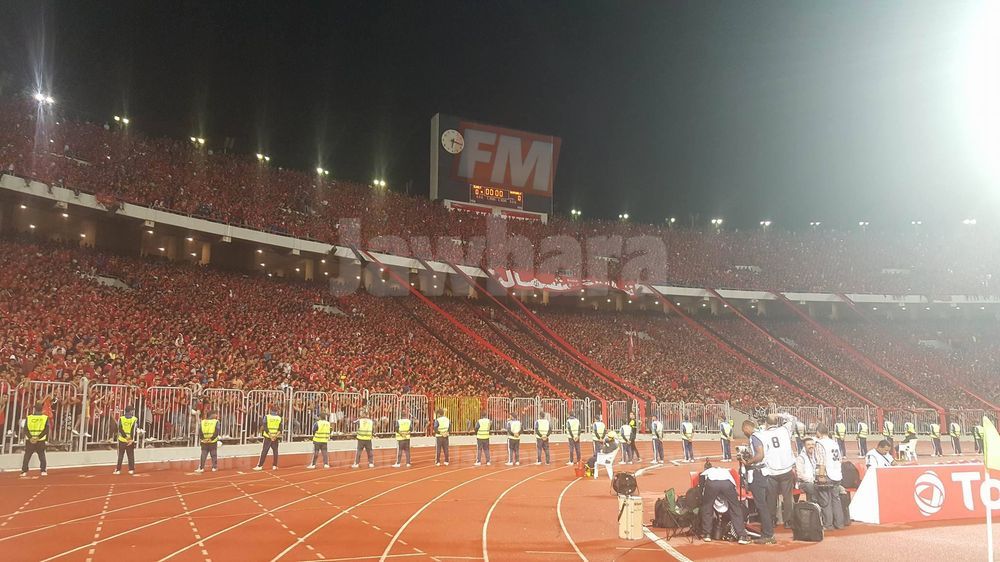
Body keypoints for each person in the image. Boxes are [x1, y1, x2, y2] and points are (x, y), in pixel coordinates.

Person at [740, 419, 776, 544]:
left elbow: (760, 455)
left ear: (746, 427)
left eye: (743, 430)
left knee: (761, 505)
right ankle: (768, 531)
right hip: (766, 472)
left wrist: (748, 462)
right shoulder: (762, 434)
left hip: (758, 473)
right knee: (765, 504)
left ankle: (768, 534)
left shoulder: (754, 437)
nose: (744, 433)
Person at [699, 461, 751, 545]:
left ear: (706, 468)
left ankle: (707, 534)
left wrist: (705, 499)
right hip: (727, 483)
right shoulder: (724, 470)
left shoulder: (706, 472)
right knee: (735, 508)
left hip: (712, 483)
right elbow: (734, 485)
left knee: (707, 507)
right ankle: (741, 535)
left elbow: (701, 489)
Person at [814, 424, 845, 531]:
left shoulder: (820, 443)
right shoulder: (834, 442)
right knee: (836, 499)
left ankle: (828, 524)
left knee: (825, 501)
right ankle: (839, 523)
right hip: (837, 474)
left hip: (828, 474)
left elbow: (821, 461)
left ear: (818, 432)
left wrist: (821, 475)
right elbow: (840, 459)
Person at [20, 401, 49, 477]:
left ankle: (24, 471)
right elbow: (46, 430)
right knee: (41, 455)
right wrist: (38, 437)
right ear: (42, 409)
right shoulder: (45, 418)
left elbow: (25, 429)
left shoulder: (29, 417)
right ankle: (43, 470)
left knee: (27, 455)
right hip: (40, 440)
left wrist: (30, 437)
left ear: (35, 409)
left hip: (30, 440)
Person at [253, 406, 282, 471]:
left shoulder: (267, 417)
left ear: (270, 410)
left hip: (268, 436)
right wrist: (275, 436)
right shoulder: (279, 418)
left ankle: (260, 466)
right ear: (277, 411)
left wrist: (270, 436)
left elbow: (265, 428)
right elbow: (280, 429)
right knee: (275, 451)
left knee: (264, 451)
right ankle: (274, 465)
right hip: (275, 437)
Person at [114, 406, 139, 475]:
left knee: (120, 455)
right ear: (130, 411)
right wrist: (130, 439)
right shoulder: (134, 419)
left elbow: (120, 429)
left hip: (122, 439)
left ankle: (118, 470)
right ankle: (131, 469)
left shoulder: (121, 418)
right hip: (130, 439)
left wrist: (126, 437)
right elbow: (133, 430)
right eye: (132, 410)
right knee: (130, 455)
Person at [794, 438, 820, 502]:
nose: (811, 446)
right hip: (803, 483)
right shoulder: (800, 458)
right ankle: (813, 504)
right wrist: (812, 480)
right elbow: (800, 475)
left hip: (815, 481)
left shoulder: (816, 457)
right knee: (812, 486)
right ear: (804, 446)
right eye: (808, 445)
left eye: (812, 444)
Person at [196, 409, 220, 473]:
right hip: (212, 441)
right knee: (213, 454)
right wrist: (211, 439)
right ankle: (214, 467)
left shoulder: (203, 422)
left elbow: (200, 431)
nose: (216, 415)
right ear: (212, 415)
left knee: (203, 454)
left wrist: (203, 438)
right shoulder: (216, 422)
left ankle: (201, 468)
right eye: (215, 414)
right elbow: (216, 431)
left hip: (204, 441)